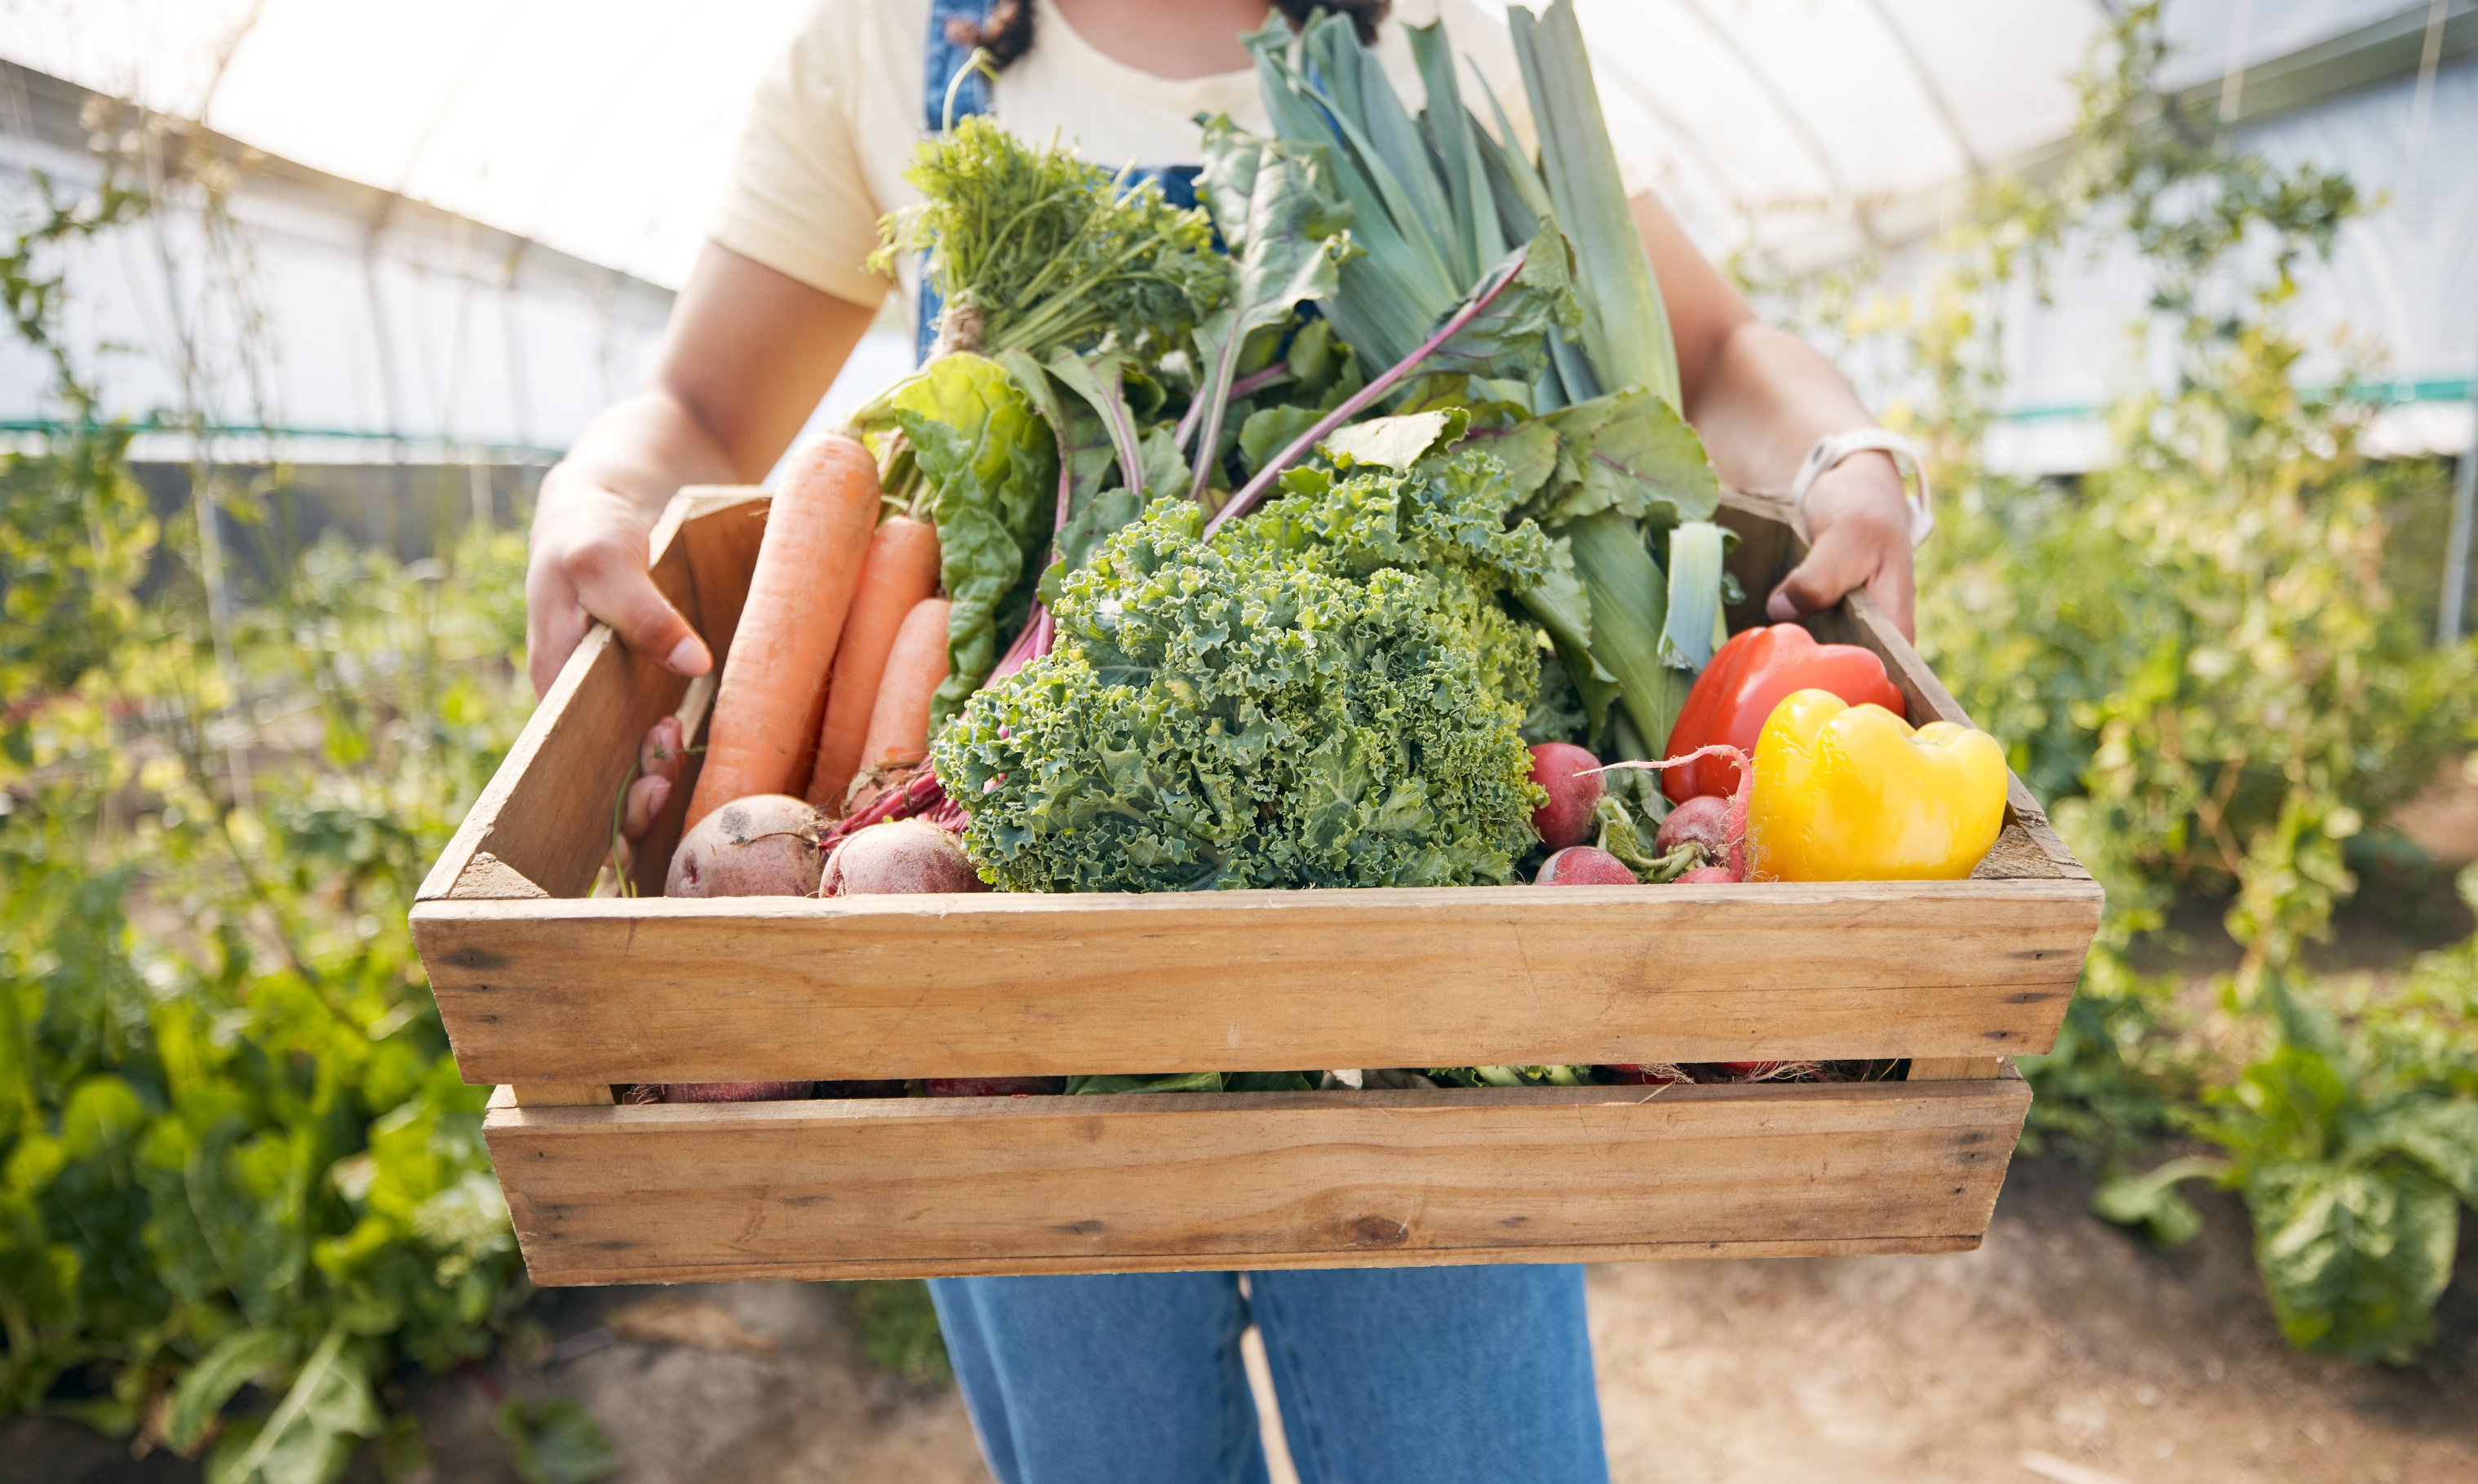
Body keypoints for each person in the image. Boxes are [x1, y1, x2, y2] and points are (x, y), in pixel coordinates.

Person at [525, 4, 1925, 1481]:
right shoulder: (886, 42)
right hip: (1000, 962)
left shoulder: (1453, 36)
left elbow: (1708, 348)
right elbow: (694, 405)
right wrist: (591, 492)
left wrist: (1845, 451)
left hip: (1416, 975)